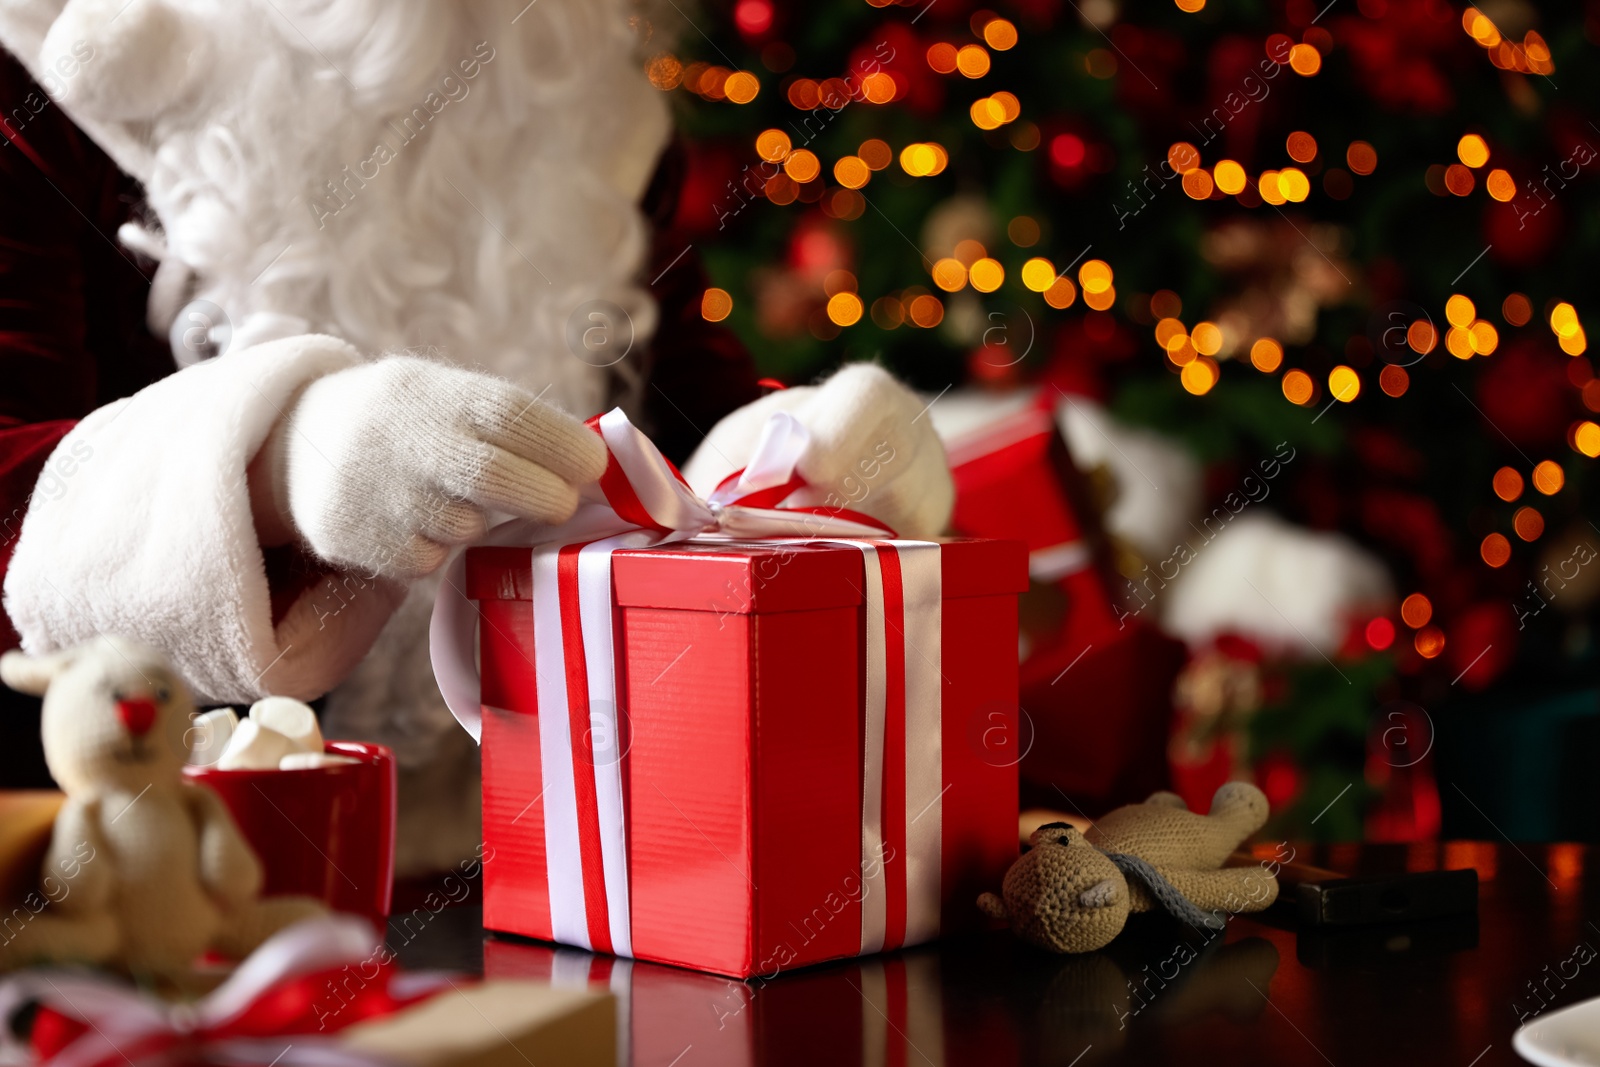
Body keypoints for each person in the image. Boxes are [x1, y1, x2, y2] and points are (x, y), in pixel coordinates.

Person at [0, 0, 952, 872]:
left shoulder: (591, 97)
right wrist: (279, 461)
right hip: (153, 887)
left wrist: (797, 458)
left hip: (580, 876)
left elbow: (682, 417)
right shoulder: (46, 65)